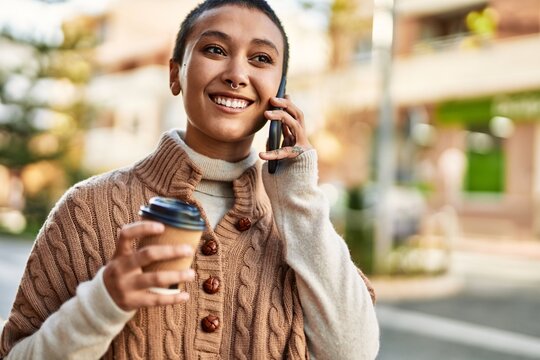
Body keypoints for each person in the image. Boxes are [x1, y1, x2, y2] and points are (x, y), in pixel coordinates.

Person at [0, 0, 379, 359]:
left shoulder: (299, 223)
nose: (236, 75)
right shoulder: (85, 208)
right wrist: (103, 302)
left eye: (261, 59)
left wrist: (298, 197)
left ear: (280, 92)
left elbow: (354, 351)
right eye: (215, 50)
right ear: (175, 74)